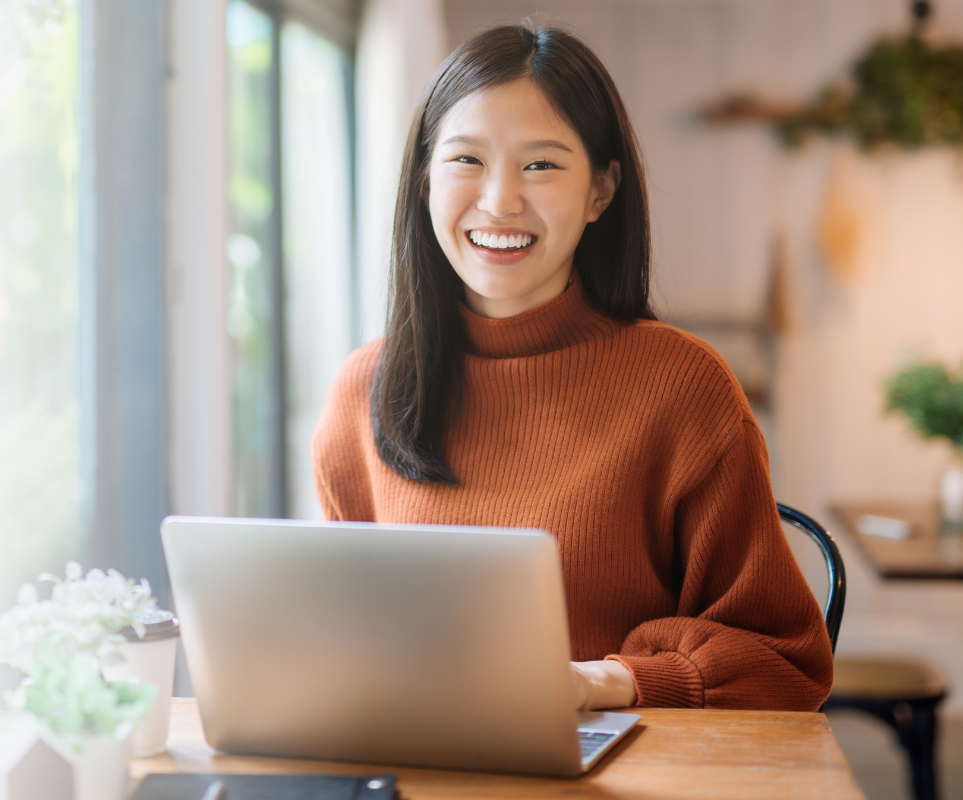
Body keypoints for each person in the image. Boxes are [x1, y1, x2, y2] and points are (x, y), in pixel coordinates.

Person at [311, 24, 833, 712]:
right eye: (466, 160)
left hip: (616, 772)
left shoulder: (683, 387)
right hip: (414, 761)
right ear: (424, 180)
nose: (499, 201)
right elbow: (337, 631)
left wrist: (609, 681)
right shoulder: (364, 390)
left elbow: (786, 659)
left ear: (601, 192)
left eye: (541, 165)